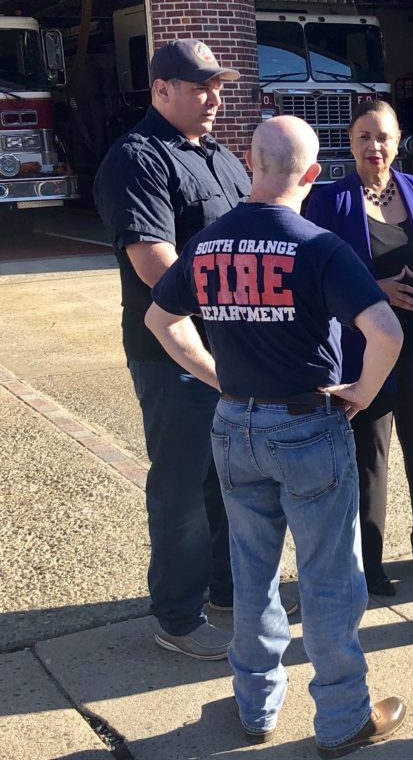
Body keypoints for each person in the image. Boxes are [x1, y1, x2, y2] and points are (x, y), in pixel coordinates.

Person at [145, 116, 408, 755]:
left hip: (235, 426)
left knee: (250, 570)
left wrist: (218, 378)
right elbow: (388, 333)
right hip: (307, 426)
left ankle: (256, 703)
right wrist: (361, 395)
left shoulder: (207, 244)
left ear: (249, 162)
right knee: (328, 579)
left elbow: (160, 318)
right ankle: (344, 715)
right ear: (313, 175)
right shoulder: (318, 247)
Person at [92, 39, 263, 660]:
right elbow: (154, 265)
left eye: (217, 86)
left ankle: (227, 591)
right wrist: (239, 290)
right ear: (160, 90)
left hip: (233, 349)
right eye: (199, 88)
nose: (214, 99)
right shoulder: (136, 160)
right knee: (183, 487)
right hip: (175, 355)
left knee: (229, 480)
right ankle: (179, 616)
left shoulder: (219, 157)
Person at [305, 100, 413, 596]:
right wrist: (376, 290)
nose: (375, 146)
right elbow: (318, 277)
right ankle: (369, 565)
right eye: (364, 137)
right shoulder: (329, 202)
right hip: (365, 352)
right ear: (350, 143)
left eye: (383, 136)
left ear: (399, 141)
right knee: (367, 462)